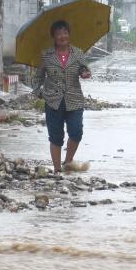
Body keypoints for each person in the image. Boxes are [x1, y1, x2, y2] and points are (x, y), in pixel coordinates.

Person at [33, 19, 92, 172]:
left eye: (65, 33)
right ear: (54, 37)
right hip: (53, 100)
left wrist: (85, 73)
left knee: (76, 132)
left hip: (74, 99)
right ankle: (58, 170)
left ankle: (68, 162)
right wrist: (38, 91)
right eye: (59, 34)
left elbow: (83, 69)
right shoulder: (47, 55)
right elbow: (38, 76)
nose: (62, 36)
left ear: (69, 35)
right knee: (56, 136)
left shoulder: (78, 53)